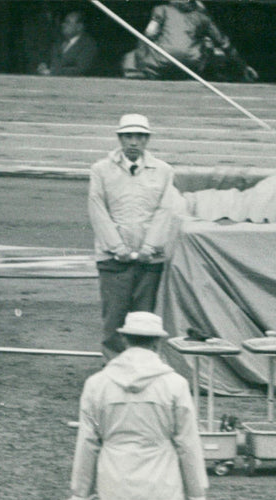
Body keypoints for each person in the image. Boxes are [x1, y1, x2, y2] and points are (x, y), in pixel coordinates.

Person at [66, 312, 208, 500]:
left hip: (116, 487)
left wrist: (79, 493)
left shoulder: (97, 385)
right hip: (163, 487)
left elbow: (89, 441)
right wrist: (196, 494)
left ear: (124, 339)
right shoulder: (175, 385)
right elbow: (187, 443)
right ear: (157, 342)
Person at [89, 113, 178, 360]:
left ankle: (142, 367)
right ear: (120, 138)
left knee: (144, 318)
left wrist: (149, 247)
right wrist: (118, 248)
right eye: (128, 136)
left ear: (147, 139)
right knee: (114, 317)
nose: (133, 142)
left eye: (139, 136)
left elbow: (165, 211)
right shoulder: (100, 170)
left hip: (150, 260)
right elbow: (98, 210)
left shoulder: (163, 171)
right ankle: (114, 368)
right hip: (113, 259)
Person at [122, 0, 258, 82]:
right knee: (215, 49)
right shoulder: (203, 16)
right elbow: (224, 43)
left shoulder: (161, 9)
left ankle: (141, 72)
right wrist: (243, 66)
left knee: (131, 55)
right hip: (192, 65)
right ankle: (214, 75)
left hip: (160, 63)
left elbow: (149, 33)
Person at [37, 11, 98, 76]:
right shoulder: (58, 42)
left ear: (79, 27)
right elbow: (50, 60)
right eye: (64, 22)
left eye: (68, 22)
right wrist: (44, 65)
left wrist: (53, 72)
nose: (63, 25)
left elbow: (81, 69)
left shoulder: (88, 45)